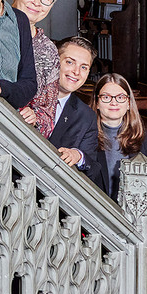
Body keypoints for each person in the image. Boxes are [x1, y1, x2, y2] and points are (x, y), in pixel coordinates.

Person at [49, 36, 108, 191]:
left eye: (84, 67)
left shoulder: (86, 116)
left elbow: (93, 168)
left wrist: (78, 156)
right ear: (55, 61)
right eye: (70, 62)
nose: (76, 72)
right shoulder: (28, 96)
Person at [11, 0, 62, 139]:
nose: (37, 3)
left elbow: (48, 115)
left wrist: (35, 117)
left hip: (21, 138)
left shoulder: (48, 51)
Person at [92, 72, 147, 199]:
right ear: (97, 103)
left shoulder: (142, 137)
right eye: (106, 97)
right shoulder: (86, 135)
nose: (114, 103)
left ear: (129, 103)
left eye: (120, 97)